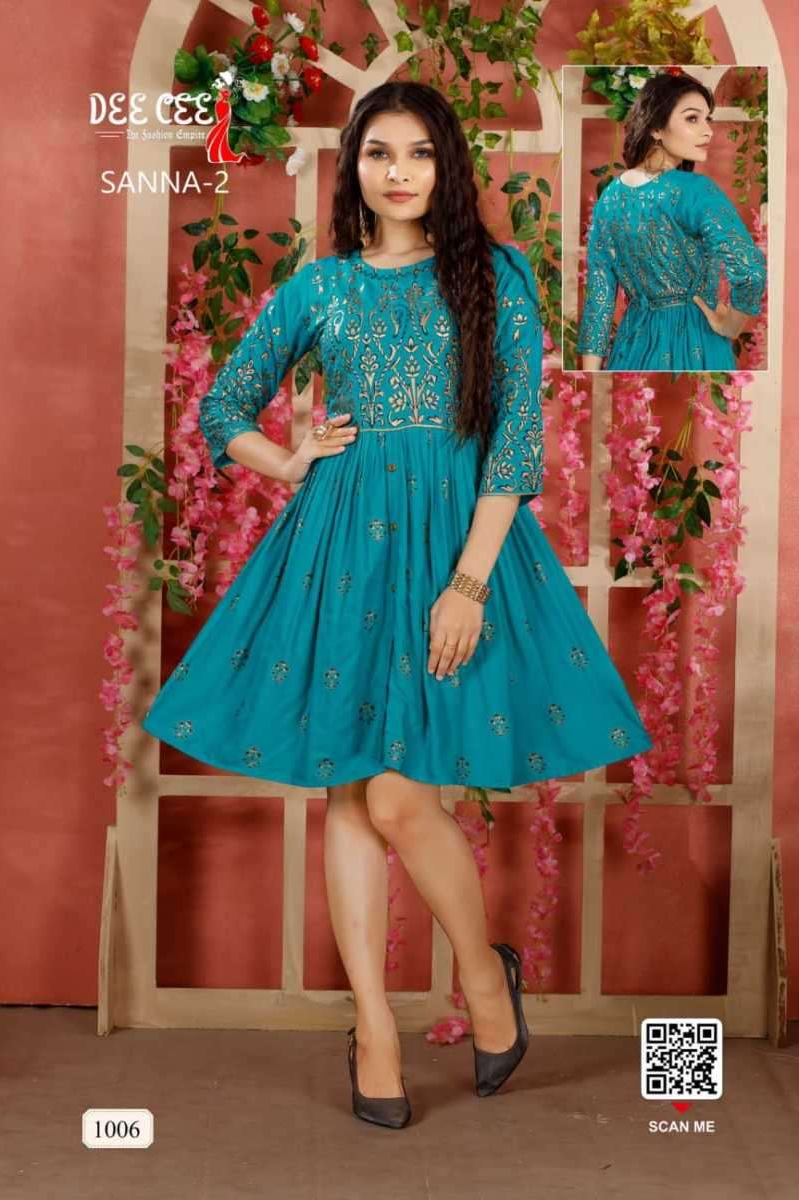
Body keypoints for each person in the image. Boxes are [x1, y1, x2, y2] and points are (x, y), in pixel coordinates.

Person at [142, 80, 652, 1128]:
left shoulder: (494, 277)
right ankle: (373, 1027)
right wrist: (286, 460)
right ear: (355, 169)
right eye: (379, 152)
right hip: (340, 549)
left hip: (455, 545)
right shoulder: (321, 285)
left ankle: (481, 977)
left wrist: (467, 582)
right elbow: (221, 405)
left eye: (419, 152)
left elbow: (515, 442)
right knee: (348, 792)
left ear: (445, 165)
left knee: (396, 799)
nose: (400, 171)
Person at [575, 70, 766, 372]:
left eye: (707, 119)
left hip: (631, 350)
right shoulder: (695, 191)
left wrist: (592, 377)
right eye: (692, 119)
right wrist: (731, 324)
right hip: (694, 343)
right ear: (656, 128)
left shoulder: (610, 197)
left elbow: (599, 301)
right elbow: (750, 271)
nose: (708, 131)